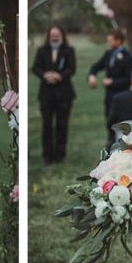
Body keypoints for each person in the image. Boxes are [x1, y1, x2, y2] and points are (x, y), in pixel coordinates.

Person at [32, 26, 76, 164]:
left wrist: (59, 76)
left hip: (64, 94)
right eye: (52, 35)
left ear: (62, 36)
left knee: (62, 125)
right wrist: (45, 75)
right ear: (49, 36)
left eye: (57, 35)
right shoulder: (42, 50)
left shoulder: (68, 50)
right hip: (46, 94)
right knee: (47, 125)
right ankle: (47, 155)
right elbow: (35, 68)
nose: (55, 37)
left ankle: (60, 155)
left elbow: (72, 69)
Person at [87, 30, 132, 148]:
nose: (108, 43)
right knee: (109, 122)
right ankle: (110, 146)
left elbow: (129, 79)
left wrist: (112, 81)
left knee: (121, 126)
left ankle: (123, 147)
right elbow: (96, 66)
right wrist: (92, 75)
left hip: (122, 97)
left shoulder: (128, 57)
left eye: (111, 40)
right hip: (109, 97)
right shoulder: (108, 54)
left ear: (119, 41)